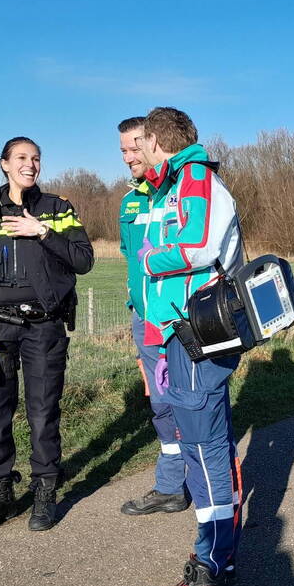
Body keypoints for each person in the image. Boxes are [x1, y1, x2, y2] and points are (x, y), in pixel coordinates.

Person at [0, 136, 94, 532]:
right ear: (4, 164)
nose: (29, 164)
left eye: (35, 158)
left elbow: (84, 260)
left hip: (44, 326)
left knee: (43, 411)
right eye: (21, 158)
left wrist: (42, 232)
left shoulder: (57, 209)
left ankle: (45, 492)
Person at [135, 107, 244, 586]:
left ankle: (214, 567)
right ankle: (217, 557)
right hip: (184, 333)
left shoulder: (194, 177)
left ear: (157, 139)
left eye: (141, 142)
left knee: (204, 450)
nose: (137, 152)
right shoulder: (181, 180)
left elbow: (197, 246)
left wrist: (149, 258)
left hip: (200, 333)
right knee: (207, 444)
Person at [116, 116, 190, 517]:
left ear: (153, 142)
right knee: (160, 403)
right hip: (145, 320)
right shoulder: (129, 201)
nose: (130, 157)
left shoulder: (181, 188)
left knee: (192, 400)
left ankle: (204, 481)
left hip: (180, 320)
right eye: (123, 150)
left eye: (135, 147)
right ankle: (170, 485)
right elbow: (132, 258)